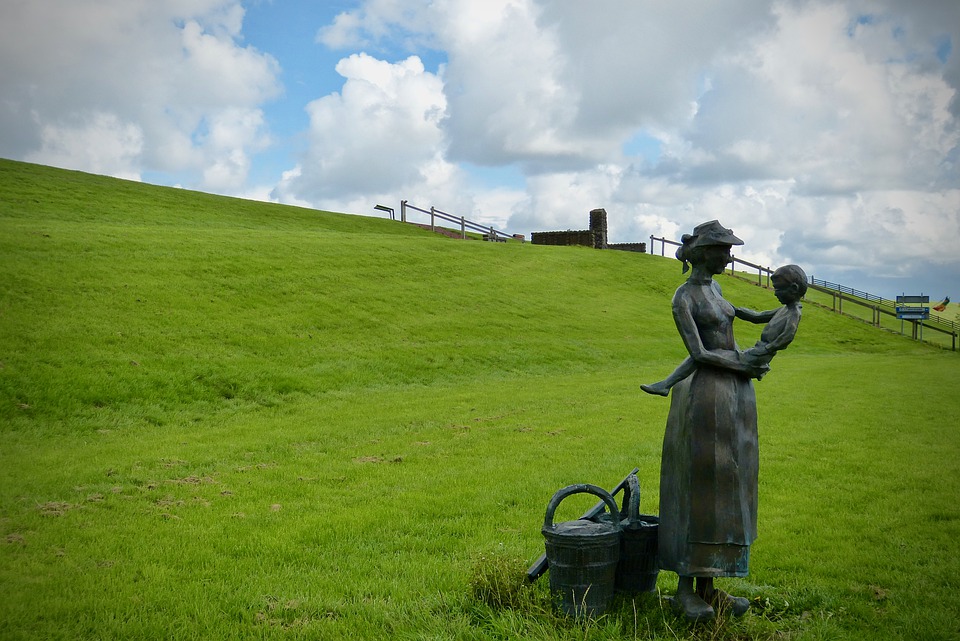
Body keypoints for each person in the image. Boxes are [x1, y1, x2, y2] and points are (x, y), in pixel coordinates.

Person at [653, 221, 773, 623]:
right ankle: (685, 589)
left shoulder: (717, 290)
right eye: (723, 250)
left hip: (735, 394)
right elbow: (700, 353)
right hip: (704, 394)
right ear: (704, 253)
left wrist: (787, 312)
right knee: (699, 483)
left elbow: (747, 318)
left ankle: (711, 584)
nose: (729, 256)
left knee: (730, 481)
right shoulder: (682, 297)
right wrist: (744, 363)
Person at [641, 264, 806, 397]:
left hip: (760, 354)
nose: (775, 293)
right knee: (703, 354)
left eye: (778, 289)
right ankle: (666, 384)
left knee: (704, 354)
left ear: (793, 288)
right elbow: (757, 316)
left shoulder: (793, 313)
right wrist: (731, 307)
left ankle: (666, 384)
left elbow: (787, 337)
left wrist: (769, 348)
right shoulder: (784, 309)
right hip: (758, 351)